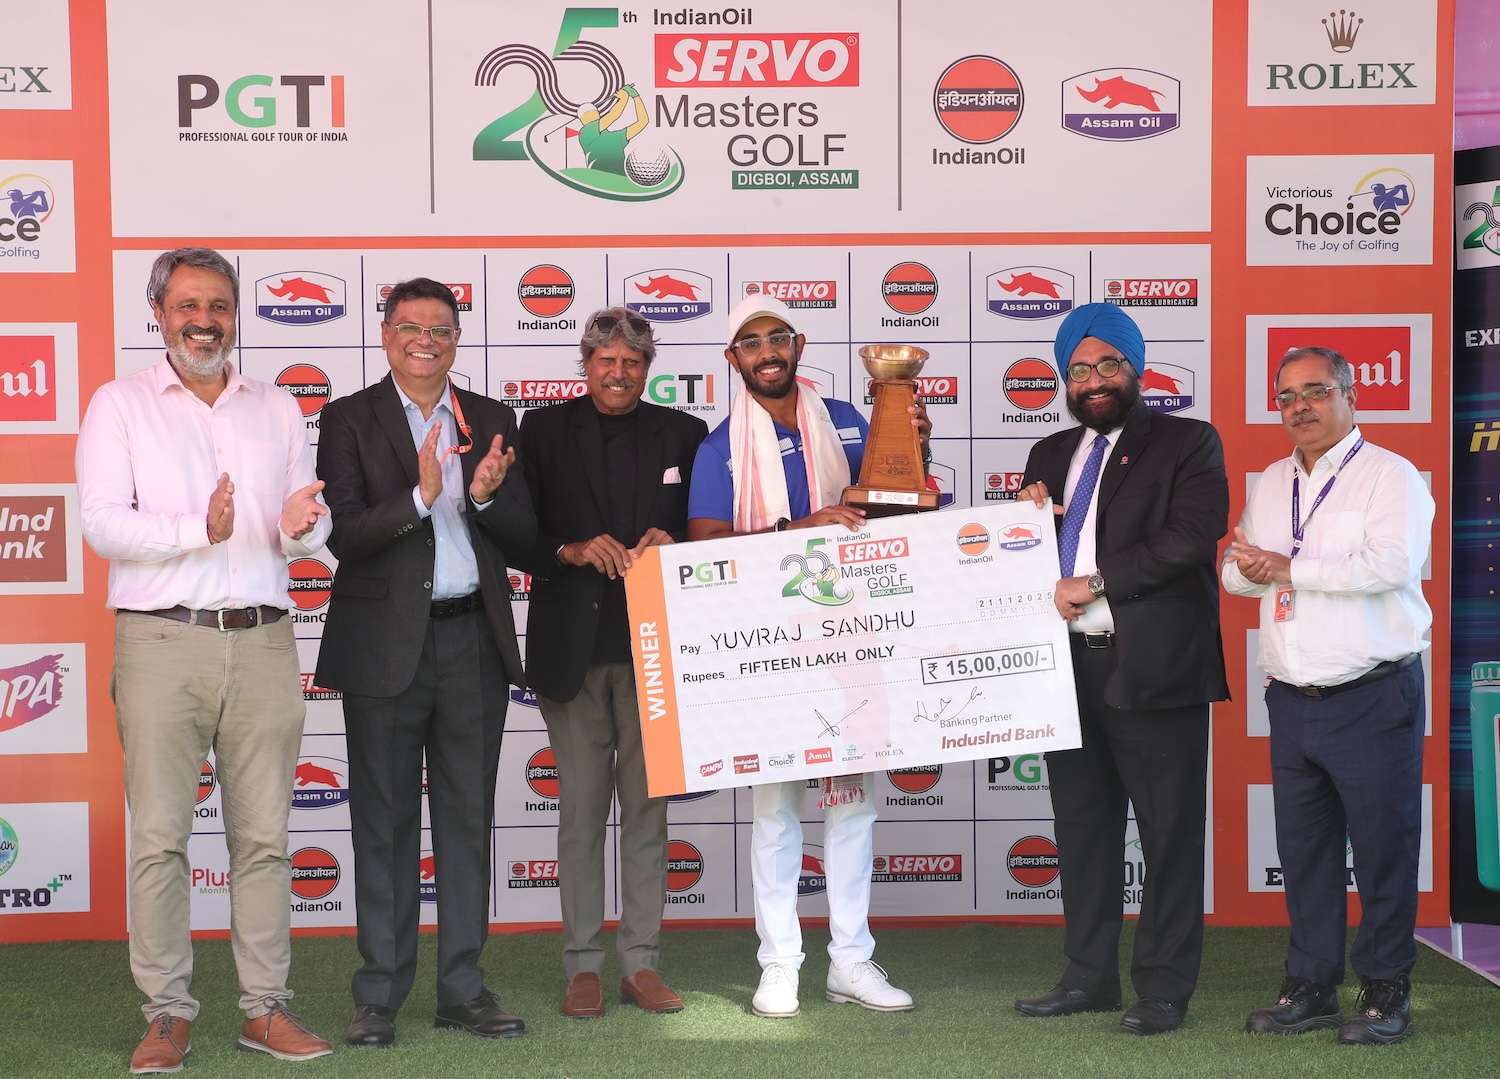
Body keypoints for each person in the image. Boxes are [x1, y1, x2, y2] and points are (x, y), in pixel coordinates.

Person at [76, 247, 335, 1073]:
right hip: (162, 640)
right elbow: (102, 524)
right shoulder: (120, 404)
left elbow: (307, 522)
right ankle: (166, 1013)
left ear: (235, 314)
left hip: (264, 638)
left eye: (218, 305)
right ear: (158, 313)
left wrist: (303, 527)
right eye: (188, 304)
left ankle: (264, 1009)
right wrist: (200, 528)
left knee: (264, 838)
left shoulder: (278, 406)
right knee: (159, 837)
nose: (204, 320)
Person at [687, 295, 929, 1018]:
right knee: (776, 811)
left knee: (852, 806)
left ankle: (850, 961)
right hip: (769, 647)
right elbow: (704, 549)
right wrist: (798, 529)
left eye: (778, 337)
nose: (767, 351)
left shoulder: (851, 420)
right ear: (733, 359)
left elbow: (899, 506)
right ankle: (780, 964)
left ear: (798, 345)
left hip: (852, 639)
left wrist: (915, 445)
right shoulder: (720, 447)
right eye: (751, 342)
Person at [314, 278, 537, 1048]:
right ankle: (378, 994)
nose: (426, 341)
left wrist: (485, 497)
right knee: (383, 823)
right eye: (410, 327)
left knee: (467, 820)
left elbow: (525, 534)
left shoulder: (494, 419)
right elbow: (342, 533)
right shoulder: (347, 417)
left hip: (473, 639)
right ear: (386, 335)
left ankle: (463, 989)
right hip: (384, 646)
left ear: (456, 339)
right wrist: (419, 497)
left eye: (440, 329)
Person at [1013, 303, 1229, 1035]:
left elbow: (1192, 537)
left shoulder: (1187, 441)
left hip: (1155, 668)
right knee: (1081, 829)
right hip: (1065, 670)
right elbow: (1033, 562)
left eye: (1109, 364)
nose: (1095, 380)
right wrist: (1021, 526)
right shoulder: (1048, 454)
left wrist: (1098, 581)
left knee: (1168, 834)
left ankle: (1164, 988)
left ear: (1136, 369)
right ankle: (1088, 977)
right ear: (1064, 379)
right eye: (1078, 369)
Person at [1224, 346, 1433, 1045]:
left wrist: (1286, 567)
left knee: (1382, 851)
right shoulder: (1270, 481)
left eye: (1315, 391)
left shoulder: (1390, 475)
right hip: (1291, 694)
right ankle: (1311, 985)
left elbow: (1390, 564)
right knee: (1305, 851)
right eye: (1286, 396)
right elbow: (1237, 575)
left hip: (1372, 691)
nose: (1299, 407)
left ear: (1350, 395)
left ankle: (1385, 990)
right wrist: (1252, 568)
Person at [514, 307, 708, 1018]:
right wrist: (568, 550)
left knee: (649, 815)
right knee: (582, 815)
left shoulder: (686, 434)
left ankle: (642, 964)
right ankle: (582, 966)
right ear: (585, 364)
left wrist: (677, 542)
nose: (618, 372)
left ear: (647, 368)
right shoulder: (541, 430)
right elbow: (515, 531)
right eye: (606, 361)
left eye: (631, 361)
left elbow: (710, 529)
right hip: (572, 650)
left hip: (657, 652)